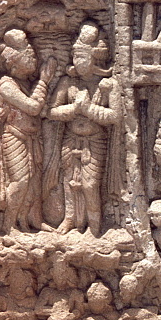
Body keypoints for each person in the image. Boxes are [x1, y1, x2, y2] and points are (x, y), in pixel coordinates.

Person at [48, 22, 121, 236]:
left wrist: (89, 109)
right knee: (69, 181)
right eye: (76, 57)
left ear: (95, 58)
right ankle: (70, 219)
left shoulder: (108, 85)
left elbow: (115, 116)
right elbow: (52, 112)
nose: (77, 62)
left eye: (83, 57)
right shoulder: (67, 83)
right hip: (71, 139)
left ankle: (95, 224)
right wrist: (73, 108)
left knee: (89, 185)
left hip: (94, 140)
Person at [0, 29, 56, 233]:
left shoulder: (25, 83)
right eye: (29, 57)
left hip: (32, 139)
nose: (34, 60)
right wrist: (44, 81)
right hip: (15, 138)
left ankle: (33, 222)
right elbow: (32, 107)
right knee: (20, 182)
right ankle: (7, 227)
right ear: (14, 63)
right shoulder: (6, 86)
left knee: (34, 184)